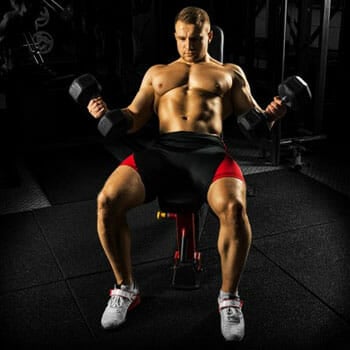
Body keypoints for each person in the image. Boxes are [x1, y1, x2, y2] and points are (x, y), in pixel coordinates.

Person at [87, 6, 287, 342]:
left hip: (208, 152)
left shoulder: (229, 73)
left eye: (195, 38)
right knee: (107, 199)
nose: (188, 46)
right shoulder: (158, 73)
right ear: (175, 36)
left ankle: (229, 298)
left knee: (235, 209)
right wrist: (106, 114)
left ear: (209, 36)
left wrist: (272, 114)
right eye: (182, 38)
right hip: (164, 150)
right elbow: (135, 116)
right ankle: (125, 288)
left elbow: (254, 122)